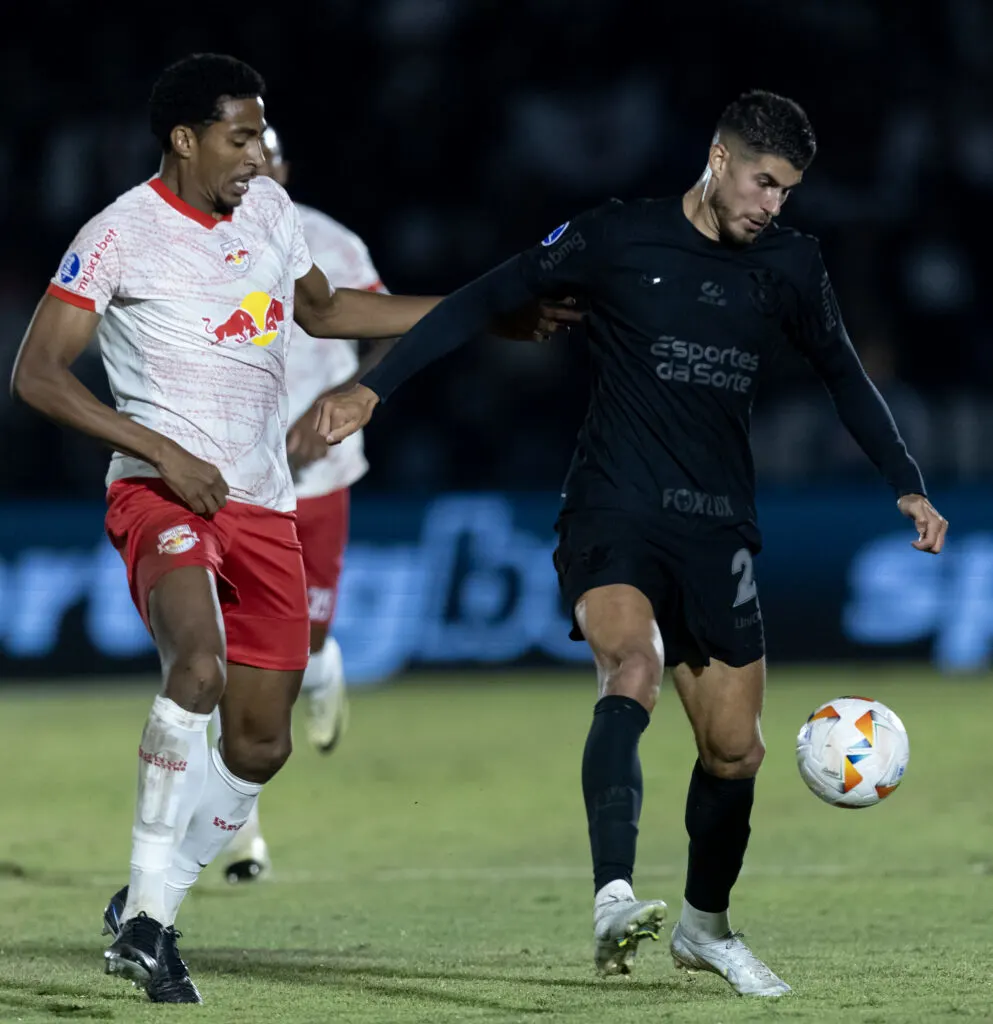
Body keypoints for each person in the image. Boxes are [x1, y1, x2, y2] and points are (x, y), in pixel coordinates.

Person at [314, 89, 949, 997]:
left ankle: (704, 927)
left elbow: (843, 375)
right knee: (631, 667)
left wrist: (905, 480)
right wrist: (377, 392)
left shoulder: (791, 264)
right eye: (763, 182)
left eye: (787, 191)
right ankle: (614, 896)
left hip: (717, 523)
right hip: (612, 508)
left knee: (735, 752)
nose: (773, 205)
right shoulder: (615, 237)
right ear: (718, 158)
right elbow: (475, 302)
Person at [10, 53, 573, 1005]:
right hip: (159, 491)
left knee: (260, 748)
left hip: (263, 503)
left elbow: (325, 311)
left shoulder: (269, 212)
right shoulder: (118, 235)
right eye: (238, 137)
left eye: (262, 136)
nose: (256, 154)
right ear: (184, 140)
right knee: (198, 667)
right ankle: (149, 920)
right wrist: (158, 450)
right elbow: (38, 374)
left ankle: (148, 905)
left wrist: (475, 316)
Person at [217, 124, 392, 884]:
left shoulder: (328, 240)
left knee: (300, 646)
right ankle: (238, 833)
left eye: (269, 158)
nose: (257, 170)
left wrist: (338, 400)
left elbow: (382, 333)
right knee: (224, 660)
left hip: (315, 478)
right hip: (227, 483)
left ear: (284, 166)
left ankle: (324, 664)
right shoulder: (194, 242)